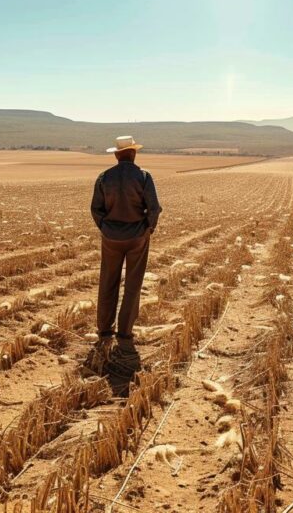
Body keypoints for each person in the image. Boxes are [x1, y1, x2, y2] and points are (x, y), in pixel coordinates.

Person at [86, 135, 162, 395]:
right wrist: (147, 229)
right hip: (136, 237)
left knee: (107, 282)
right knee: (132, 286)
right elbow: (154, 208)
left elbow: (96, 209)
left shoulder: (104, 177)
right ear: (133, 154)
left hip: (111, 238)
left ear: (118, 155)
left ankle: (104, 330)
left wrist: (107, 229)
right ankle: (125, 334)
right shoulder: (143, 176)